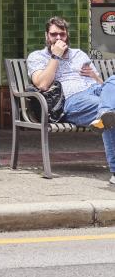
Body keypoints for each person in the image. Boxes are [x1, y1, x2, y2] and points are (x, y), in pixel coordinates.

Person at [28, 16, 115, 186]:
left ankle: (104, 114)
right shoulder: (37, 57)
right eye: (54, 34)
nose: (59, 38)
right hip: (71, 100)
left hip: (96, 91)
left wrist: (95, 76)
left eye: (62, 34)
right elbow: (43, 84)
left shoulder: (79, 54)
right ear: (47, 35)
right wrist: (56, 57)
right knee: (109, 113)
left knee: (112, 85)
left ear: (67, 35)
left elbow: (104, 87)